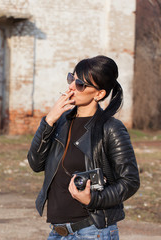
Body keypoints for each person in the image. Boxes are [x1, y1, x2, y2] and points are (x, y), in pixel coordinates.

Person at [27, 55, 140, 239]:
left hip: (92, 231)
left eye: (80, 84)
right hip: (58, 232)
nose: (71, 86)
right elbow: (35, 163)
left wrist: (93, 199)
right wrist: (49, 120)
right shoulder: (61, 122)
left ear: (99, 94)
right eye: (71, 78)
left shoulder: (111, 129)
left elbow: (130, 181)